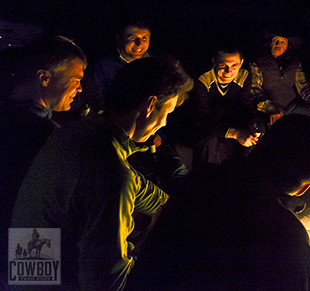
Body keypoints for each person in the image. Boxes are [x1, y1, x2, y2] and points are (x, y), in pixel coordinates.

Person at [10, 57, 186, 291]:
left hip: (26, 271)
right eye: (168, 112)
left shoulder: (81, 131)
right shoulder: (109, 171)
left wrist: (177, 208)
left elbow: (139, 187)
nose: (164, 123)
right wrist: (151, 243)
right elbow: (106, 284)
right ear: (150, 104)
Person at [138, 114, 310, 290]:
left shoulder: (200, 181)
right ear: (303, 187)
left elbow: (150, 259)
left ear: (261, 143)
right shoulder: (290, 239)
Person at [0, 35, 86, 230]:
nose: (80, 89)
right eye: (76, 80)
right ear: (44, 78)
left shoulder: (9, 116)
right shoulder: (48, 137)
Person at [183, 46, 257, 168]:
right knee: (207, 139)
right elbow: (201, 119)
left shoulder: (244, 75)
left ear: (241, 63)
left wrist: (252, 125)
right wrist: (235, 134)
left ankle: (247, 171)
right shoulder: (203, 79)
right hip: (205, 120)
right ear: (214, 62)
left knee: (254, 131)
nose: (229, 71)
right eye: (224, 65)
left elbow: (246, 104)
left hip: (227, 115)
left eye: (234, 65)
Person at [250, 32, 310, 126]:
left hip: (293, 106)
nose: (278, 44)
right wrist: (270, 108)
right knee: (273, 127)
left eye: (282, 41)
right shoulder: (259, 63)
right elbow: (255, 91)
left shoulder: (294, 62)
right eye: (275, 41)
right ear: (270, 43)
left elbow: (303, 86)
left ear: (287, 45)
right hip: (272, 108)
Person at [89, 19, 153, 112]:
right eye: (132, 38)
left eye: (144, 38)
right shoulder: (104, 65)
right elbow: (101, 98)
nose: (139, 44)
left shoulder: (156, 64)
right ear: (119, 39)